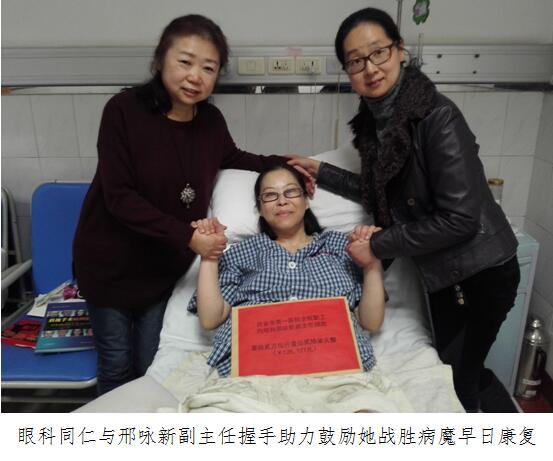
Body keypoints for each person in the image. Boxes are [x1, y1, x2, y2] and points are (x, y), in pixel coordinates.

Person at [288, 7, 520, 412]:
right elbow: (381, 192)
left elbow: (461, 219)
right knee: (450, 368)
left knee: (459, 379)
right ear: (347, 71)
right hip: (446, 276)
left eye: (378, 52)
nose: (370, 68)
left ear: (400, 51)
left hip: (482, 273)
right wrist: (322, 171)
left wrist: (377, 246)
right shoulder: (376, 124)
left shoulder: (437, 117)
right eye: (356, 61)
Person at [72, 15, 286, 395]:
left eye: (208, 68)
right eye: (185, 62)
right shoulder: (123, 110)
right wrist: (188, 237)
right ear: (160, 60)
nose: (195, 77)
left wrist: (286, 163)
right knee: (116, 364)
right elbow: (119, 196)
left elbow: (234, 157)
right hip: (110, 264)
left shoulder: (210, 120)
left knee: (151, 365)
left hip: (162, 267)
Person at [187, 164, 385, 377]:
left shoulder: (341, 246)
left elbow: (371, 322)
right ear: (260, 209)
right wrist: (209, 255)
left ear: (306, 201)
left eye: (291, 191)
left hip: (333, 365)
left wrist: (371, 261)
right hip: (256, 370)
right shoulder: (242, 252)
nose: (282, 201)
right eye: (270, 195)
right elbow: (210, 319)